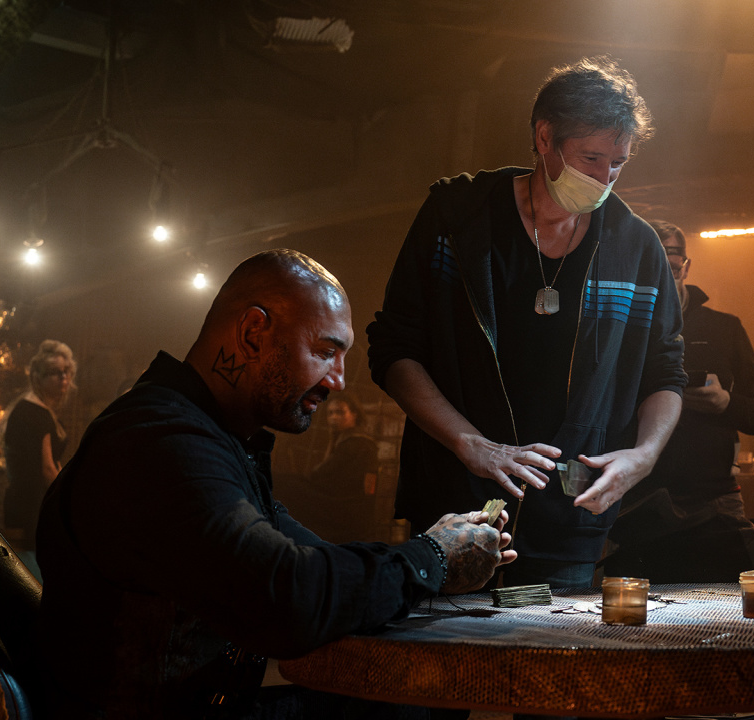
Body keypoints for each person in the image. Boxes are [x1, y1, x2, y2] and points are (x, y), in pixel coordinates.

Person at [34, 249, 513, 720]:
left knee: (426, 701)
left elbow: (313, 562)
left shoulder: (215, 439)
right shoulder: (162, 441)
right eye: (326, 352)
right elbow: (287, 596)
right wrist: (432, 558)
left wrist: (443, 554)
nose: (338, 381)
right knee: (420, 706)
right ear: (252, 332)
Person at [367, 56, 685, 588]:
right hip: (456, 509)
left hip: (572, 516)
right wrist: (471, 443)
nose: (605, 177)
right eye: (590, 157)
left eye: (618, 163)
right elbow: (394, 348)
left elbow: (667, 372)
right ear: (544, 138)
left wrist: (645, 456)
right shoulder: (458, 217)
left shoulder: (636, 248)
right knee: (447, 659)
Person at [603, 220, 754, 582]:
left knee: (732, 603)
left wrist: (725, 403)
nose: (664, 272)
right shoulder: (623, 327)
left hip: (714, 499)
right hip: (640, 502)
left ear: (686, 265)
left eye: (671, 261)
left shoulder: (724, 328)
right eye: (653, 262)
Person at [2, 339, 74, 558]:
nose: (63, 378)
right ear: (38, 377)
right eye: (54, 372)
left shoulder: (37, 409)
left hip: (30, 503)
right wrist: (70, 501)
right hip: (30, 508)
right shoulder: (34, 413)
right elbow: (47, 469)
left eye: (65, 371)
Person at [288, 393, 380, 543]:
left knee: (288, 487)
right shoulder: (343, 440)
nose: (334, 418)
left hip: (347, 509)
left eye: (340, 412)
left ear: (354, 414)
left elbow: (323, 474)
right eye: (330, 413)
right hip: (342, 505)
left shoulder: (358, 444)